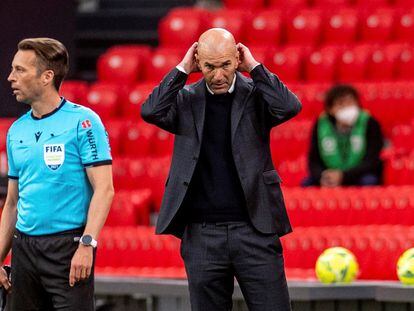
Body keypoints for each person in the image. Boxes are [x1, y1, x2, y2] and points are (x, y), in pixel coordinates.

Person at [141, 28, 301, 311]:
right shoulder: (186, 99)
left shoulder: (255, 95)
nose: (218, 75)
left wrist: (254, 67)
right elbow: (151, 111)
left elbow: (289, 106)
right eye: (209, 66)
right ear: (198, 62)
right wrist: (181, 69)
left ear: (237, 60)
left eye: (226, 65)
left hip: (256, 230)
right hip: (202, 235)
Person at [0, 38, 114, 310]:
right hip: (24, 251)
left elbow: (105, 190)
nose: (10, 77)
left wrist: (87, 244)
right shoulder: (16, 130)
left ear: (46, 76)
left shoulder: (84, 122)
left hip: (68, 249)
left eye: (20, 70)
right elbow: (12, 203)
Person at [303, 84, 384, 187]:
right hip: (330, 174)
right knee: (307, 185)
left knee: (369, 182)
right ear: (330, 109)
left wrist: (344, 176)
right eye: (341, 104)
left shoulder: (370, 123)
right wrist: (322, 176)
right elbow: (313, 160)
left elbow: (372, 160)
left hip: (359, 174)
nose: (347, 108)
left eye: (350, 103)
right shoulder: (321, 124)